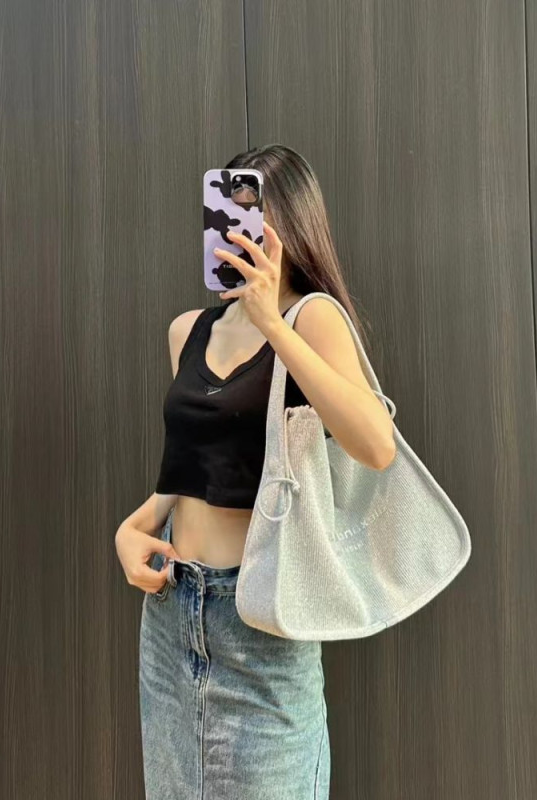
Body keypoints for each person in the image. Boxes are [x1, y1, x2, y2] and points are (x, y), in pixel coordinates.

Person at [114, 144, 396, 800]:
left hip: (260, 621)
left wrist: (273, 322)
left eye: (250, 217)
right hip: (172, 614)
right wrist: (136, 526)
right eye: (224, 214)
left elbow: (375, 446)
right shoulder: (189, 330)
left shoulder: (312, 319)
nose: (232, 232)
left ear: (289, 226)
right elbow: (195, 468)